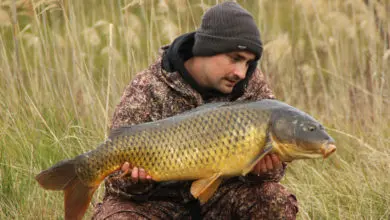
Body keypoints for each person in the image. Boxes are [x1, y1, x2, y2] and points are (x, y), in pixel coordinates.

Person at [93, 2, 298, 219]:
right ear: (207, 49)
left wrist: (266, 171)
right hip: (154, 202)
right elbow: (117, 186)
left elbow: (275, 169)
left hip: (220, 197)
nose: (240, 72)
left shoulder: (251, 87)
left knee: (273, 200)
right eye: (235, 58)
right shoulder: (149, 86)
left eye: (248, 63)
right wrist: (136, 181)